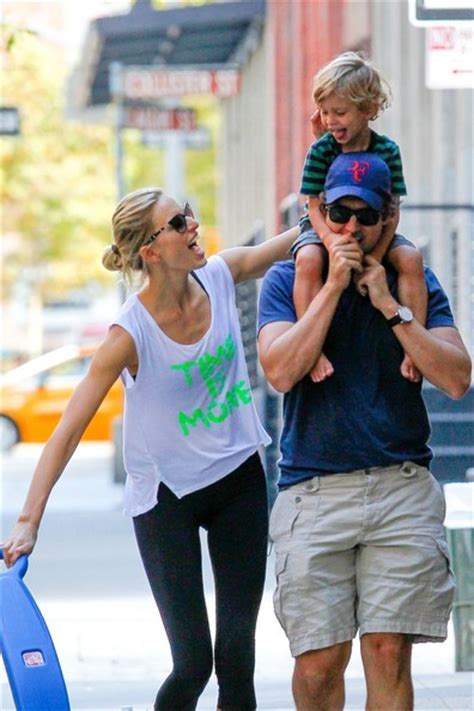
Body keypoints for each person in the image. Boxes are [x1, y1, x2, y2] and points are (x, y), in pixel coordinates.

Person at [2, 189, 300, 711]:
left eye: (190, 214)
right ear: (151, 251)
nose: (194, 226)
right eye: (179, 223)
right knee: (193, 663)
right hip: (166, 499)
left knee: (237, 656)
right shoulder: (129, 334)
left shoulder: (219, 276)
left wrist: (335, 205)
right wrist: (28, 521)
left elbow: (285, 245)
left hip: (238, 480)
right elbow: (68, 430)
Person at [257, 152, 471, 711]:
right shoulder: (288, 279)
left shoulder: (412, 281)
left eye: (366, 216)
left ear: (388, 217)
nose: (351, 228)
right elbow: (280, 371)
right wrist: (332, 288)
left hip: (401, 486)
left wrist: (391, 307)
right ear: (322, 213)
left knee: (387, 650)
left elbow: (456, 379)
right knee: (318, 662)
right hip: (315, 489)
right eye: (340, 214)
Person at [294, 51, 426, 384]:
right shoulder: (322, 150)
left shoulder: (388, 151)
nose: (330, 121)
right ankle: (311, 349)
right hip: (324, 225)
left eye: (339, 113)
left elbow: (392, 211)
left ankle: (415, 347)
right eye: (324, 112)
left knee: (410, 258)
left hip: (376, 228)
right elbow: (313, 205)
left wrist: (375, 257)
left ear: (368, 109)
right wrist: (331, 242)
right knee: (308, 260)